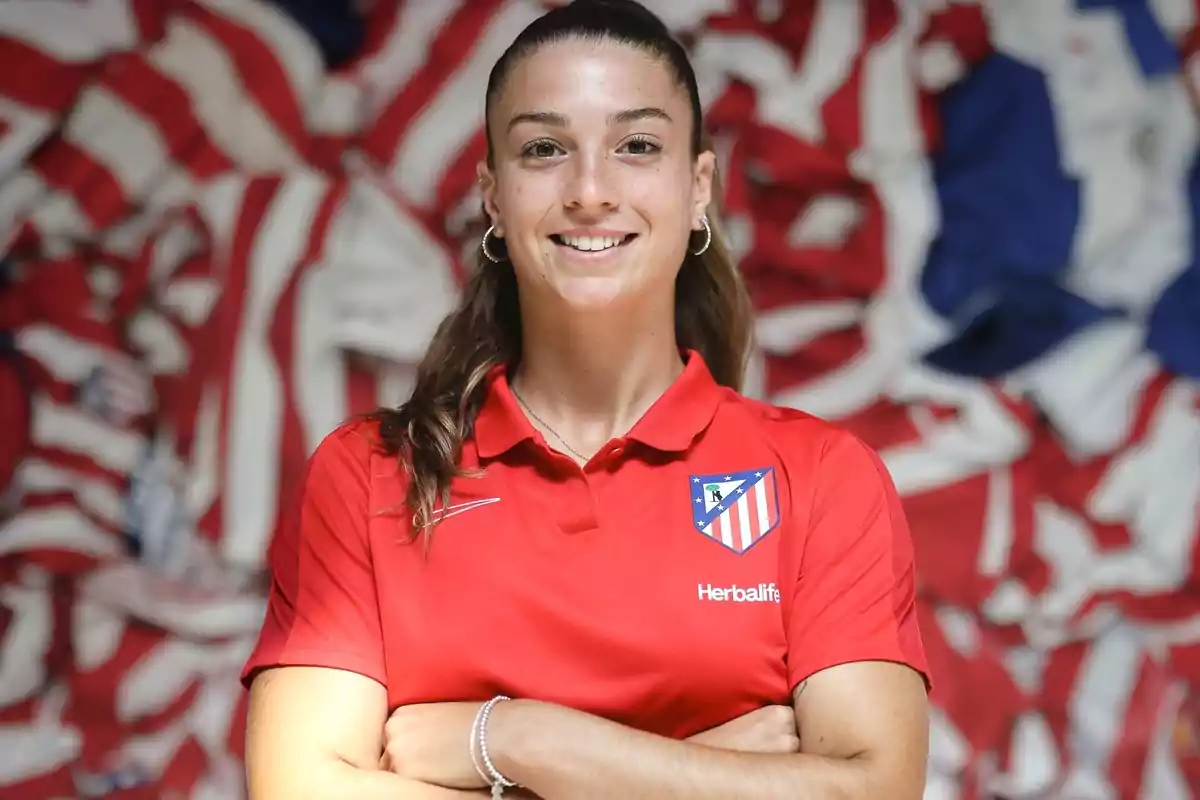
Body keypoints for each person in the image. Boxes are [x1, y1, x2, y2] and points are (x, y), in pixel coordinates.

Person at [240, 1, 932, 798]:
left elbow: (870, 790)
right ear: (494, 196)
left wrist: (511, 741)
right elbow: (297, 789)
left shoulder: (820, 477)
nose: (591, 191)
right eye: (545, 149)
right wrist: (716, 771)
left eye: (637, 146)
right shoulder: (369, 475)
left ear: (698, 185)